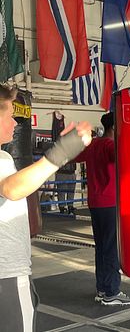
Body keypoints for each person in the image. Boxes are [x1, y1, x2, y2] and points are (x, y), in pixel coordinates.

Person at [0, 85, 92, 332]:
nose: (15, 123)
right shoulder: (3, 159)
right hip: (6, 274)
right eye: (9, 115)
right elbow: (11, 188)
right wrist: (61, 153)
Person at [73, 112, 130, 306]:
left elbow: (74, 157)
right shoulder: (110, 145)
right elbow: (124, 158)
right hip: (110, 203)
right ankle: (111, 291)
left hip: (96, 202)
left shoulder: (94, 144)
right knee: (111, 248)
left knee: (101, 247)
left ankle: (102, 288)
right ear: (115, 128)